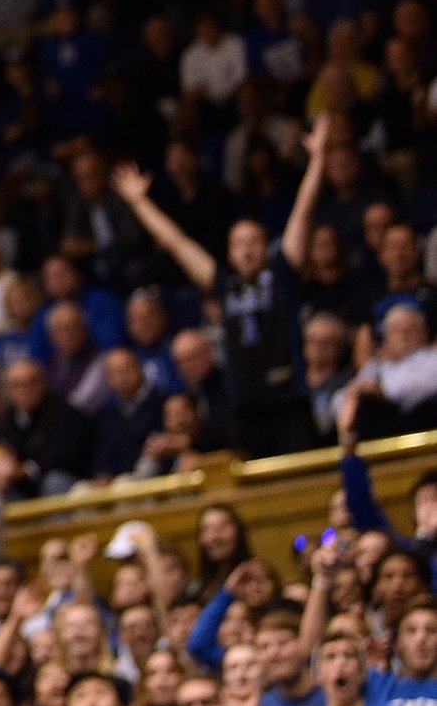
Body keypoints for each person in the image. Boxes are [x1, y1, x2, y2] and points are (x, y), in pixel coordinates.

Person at [113, 116, 333, 456]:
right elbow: (176, 242)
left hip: (289, 402)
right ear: (229, 252)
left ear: (267, 246)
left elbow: (303, 212)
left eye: (253, 242)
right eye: (238, 244)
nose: (246, 250)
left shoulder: (282, 273)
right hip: (246, 409)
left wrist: (318, 158)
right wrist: (140, 202)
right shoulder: (224, 283)